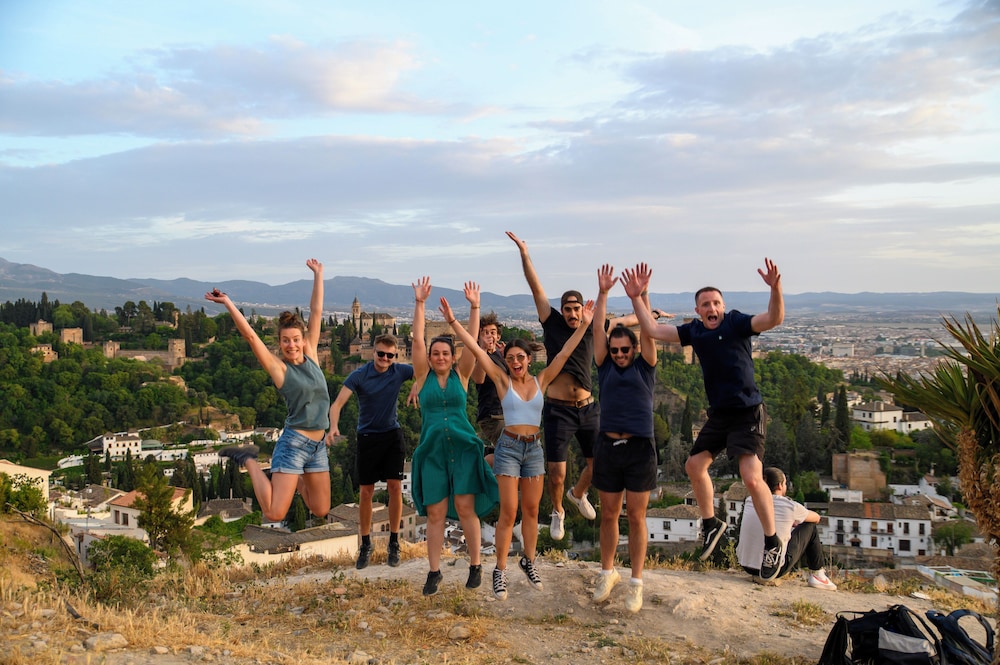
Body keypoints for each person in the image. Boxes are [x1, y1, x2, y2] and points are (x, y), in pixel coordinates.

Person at [626, 259, 787, 581]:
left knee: (751, 477)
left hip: (747, 411)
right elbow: (653, 330)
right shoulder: (695, 332)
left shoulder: (736, 323)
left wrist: (775, 288)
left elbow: (773, 319)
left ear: (723, 307)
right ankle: (712, 524)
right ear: (698, 311)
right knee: (694, 465)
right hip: (720, 414)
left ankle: (773, 542)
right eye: (705, 304)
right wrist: (637, 297)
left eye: (716, 303)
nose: (711, 308)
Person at [441, 293, 595, 601]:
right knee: (509, 512)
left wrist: (584, 326)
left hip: (534, 450)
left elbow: (565, 352)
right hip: (509, 448)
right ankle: (500, 570)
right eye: (510, 358)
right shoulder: (502, 381)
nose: (515, 362)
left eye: (520, 357)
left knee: (532, 511)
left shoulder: (541, 380)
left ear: (528, 359)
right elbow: (476, 349)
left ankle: (529, 561)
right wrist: (454, 322)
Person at [206, 259, 331, 523]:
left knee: (320, 509)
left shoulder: (311, 355)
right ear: (280, 343)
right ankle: (249, 460)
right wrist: (228, 303)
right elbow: (251, 337)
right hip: (294, 444)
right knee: (274, 513)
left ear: (303, 340)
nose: (291, 345)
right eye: (285, 341)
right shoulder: (280, 369)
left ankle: (294, 476)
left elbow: (316, 311)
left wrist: (319, 275)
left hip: (318, 445)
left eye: (295, 339)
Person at [408, 277, 500, 596]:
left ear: (452, 356)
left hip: (463, 450)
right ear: (430, 357)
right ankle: (434, 572)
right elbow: (417, 341)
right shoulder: (423, 377)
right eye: (436, 353)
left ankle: (475, 565)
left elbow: (472, 341)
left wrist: (475, 307)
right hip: (432, 453)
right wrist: (420, 303)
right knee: (435, 513)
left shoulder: (462, 375)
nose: (440, 357)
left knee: (464, 508)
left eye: (445, 353)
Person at [590, 264, 659, 613]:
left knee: (636, 516)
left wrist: (639, 296)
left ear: (633, 349)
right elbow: (597, 330)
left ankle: (636, 582)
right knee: (608, 514)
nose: (618, 354)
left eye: (623, 349)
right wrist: (603, 293)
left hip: (640, 448)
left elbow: (648, 329)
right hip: (608, 446)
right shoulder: (604, 366)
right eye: (614, 350)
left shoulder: (645, 365)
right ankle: (607, 572)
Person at [328, 333, 414, 570]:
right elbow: (337, 404)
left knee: (395, 487)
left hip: (392, 435)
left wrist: (417, 384)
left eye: (390, 355)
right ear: (373, 352)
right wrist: (333, 426)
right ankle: (366, 544)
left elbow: (425, 370)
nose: (385, 359)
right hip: (367, 437)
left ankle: (394, 542)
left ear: (395, 356)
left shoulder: (400, 371)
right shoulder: (359, 375)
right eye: (381, 354)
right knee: (366, 492)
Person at [736, 467, 837, 590]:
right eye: (785, 484)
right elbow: (816, 518)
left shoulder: (750, 500)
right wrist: (795, 519)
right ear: (780, 485)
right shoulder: (790, 506)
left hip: (746, 565)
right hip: (775, 569)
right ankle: (818, 575)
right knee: (809, 526)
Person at [471, 311, 507, 464]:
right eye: (485, 333)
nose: (489, 336)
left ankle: (488, 456)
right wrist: (483, 350)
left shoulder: (499, 355)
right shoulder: (476, 356)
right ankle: (482, 464)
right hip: (492, 415)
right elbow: (478, 378)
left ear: (498, 336)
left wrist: (508, 358)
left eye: (492, 332)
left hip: (505, 413)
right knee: (510, 450)